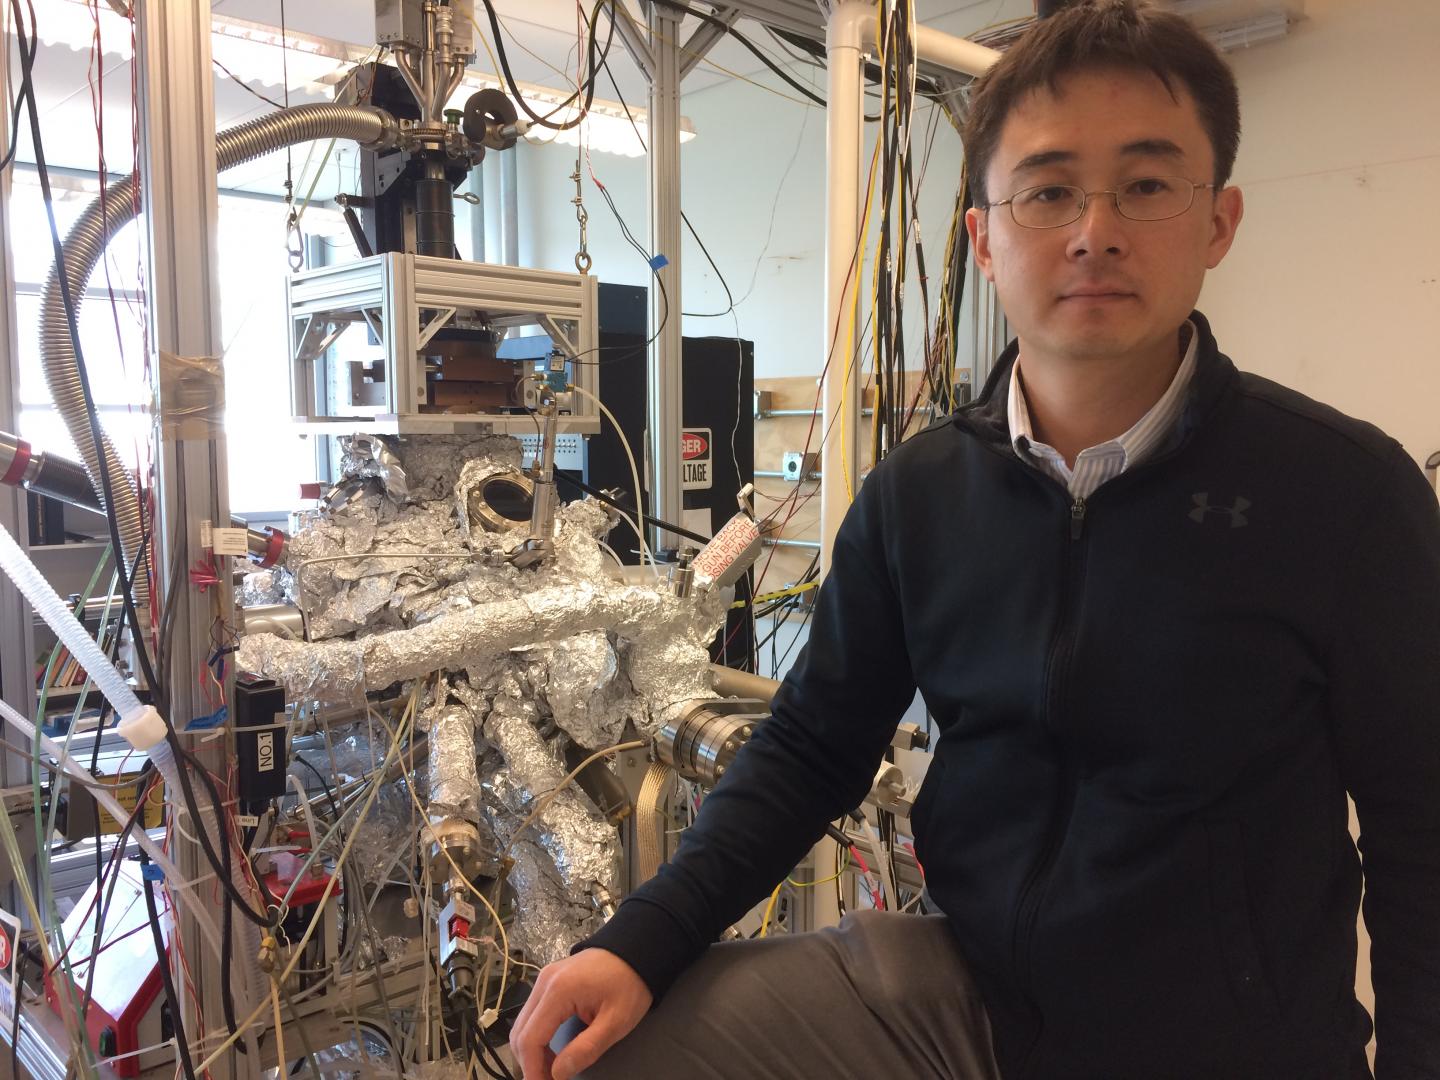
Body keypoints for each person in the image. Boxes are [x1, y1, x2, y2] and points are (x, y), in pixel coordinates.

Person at [510, 2, 1440, 1077]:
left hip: (1228, 1042)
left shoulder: (1342, 494)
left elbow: (1421, 830)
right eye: (1048, 191)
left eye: (1147, 185)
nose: (1095, 231)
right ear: (985, 239)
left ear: (1219, 223)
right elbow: (812, 748)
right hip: (977, 1000)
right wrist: (642, 937)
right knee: (610, 1054)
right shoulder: (920, 495)